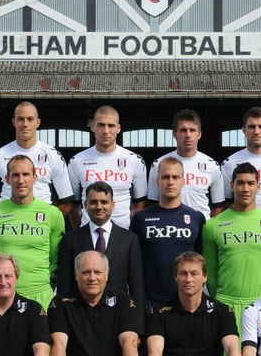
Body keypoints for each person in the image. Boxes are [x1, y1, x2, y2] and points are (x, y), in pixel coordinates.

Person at [201, 162, 261, 341]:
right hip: (226, 303)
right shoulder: (212, 226)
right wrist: (221, 301)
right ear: (232, 186)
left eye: (250, 183)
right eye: (240, 183)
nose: (245, 189)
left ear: (258, 186)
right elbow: (211, 272)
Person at [45, 251, 147, 356]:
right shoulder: (60, 303)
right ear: (76, 275)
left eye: (97, 272)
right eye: (86, 272)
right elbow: (59, 343)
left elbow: (128, 341)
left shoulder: (123, 301)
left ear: (106, 275)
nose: (92, 278)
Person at [145, 252, 245, 356]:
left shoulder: (222, 311)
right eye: (183, 273)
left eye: (194, 274)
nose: (188, 279)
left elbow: (232, 348)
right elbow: (154, 350)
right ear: (175, 277)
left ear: (204, 277)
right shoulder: (158, 312)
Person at [0, 155, 65, 309]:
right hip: (3, 297)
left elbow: (57, 260)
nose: (21, 180)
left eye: (26, 174)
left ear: (35, 177)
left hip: (41, 296)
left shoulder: (53, 214)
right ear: (7, 179)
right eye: (15, 175)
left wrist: (45, 287)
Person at [129, 157, 206, 310]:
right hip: (150, 300)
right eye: (165, 177)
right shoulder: (141, 218)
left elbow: (200, 259)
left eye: (175, 177)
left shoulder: (196, 218)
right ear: (157, 181)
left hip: (185, 300)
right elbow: (134, 262)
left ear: (183, 182)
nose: (170, 182)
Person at [57, 181, 144, 309]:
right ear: (85, 205)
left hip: (118, 314)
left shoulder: (130, 239)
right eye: (93, 202)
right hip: (80, 314)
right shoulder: (70, 240)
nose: (99, 206)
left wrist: (137, 324)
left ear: (113, 205)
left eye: (104, 202)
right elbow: (64, 286)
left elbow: (137, 288)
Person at [0, 101, 74, 220]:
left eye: (30, 119)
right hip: (7, 225)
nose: (25, 124)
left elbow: (66, 204)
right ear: (14, 122)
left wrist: (48, 224)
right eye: (20, 119)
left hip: (40, 225)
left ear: (37, 122)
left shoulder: (53, 155)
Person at [66, 105, 148, 228]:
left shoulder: (135, 160)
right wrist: (80, 234)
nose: (106, 131)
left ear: (118, 128)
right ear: (92, 126)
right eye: (101, 125)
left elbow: (139, 204)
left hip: (123, 236)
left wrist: (130, 234)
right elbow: (74, 205)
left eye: (111, 126)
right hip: (88, 235)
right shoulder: (77, 161)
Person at [146, 109, 224, 219]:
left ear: (199, 134)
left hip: (201, 231)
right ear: (174, 134)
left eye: (192, 130)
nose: (188, 135)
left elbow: (218, 207)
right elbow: (151, 204)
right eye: (183, 130)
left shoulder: (213, 166)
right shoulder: (159, 164)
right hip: (168, 229)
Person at [221, 106, 261, 219]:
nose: (256, 131)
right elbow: (226, 203)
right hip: (240, 228)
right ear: (244, 130)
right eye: (251, 127)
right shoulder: (229, 163)